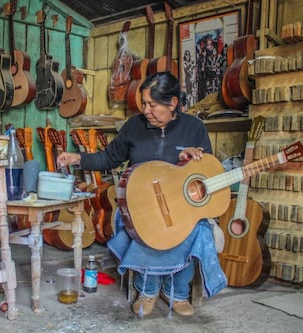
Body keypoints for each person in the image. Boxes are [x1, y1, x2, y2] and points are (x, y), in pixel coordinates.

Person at [57, 72, 227, 318]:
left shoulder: (194, 128)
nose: (146, 110)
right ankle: (147, 290)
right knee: (148, 229)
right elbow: (109, 158)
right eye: (144, 103)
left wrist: (193, 160)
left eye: (152, 105)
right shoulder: (134, 127)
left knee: (198, 229)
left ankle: (176, 292)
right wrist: (78, 158)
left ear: (172, 104)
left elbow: (206, 176)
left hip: (181, 208)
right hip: (141, 206)